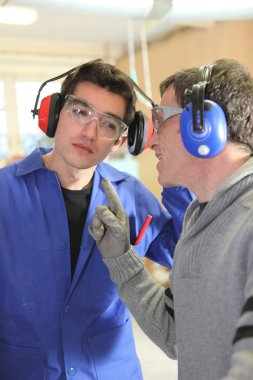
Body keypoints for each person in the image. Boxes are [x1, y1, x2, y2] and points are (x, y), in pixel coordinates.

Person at [0, 59, 193, 380]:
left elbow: (183, 253)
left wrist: (177, 173)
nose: (89, 132)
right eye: (80, 112)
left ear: (121, 140)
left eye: (108, 124)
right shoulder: (5, 191)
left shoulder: (129, 194)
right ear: (55, 113)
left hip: (110, 371)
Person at [89, 58, 253, 380]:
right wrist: (122, 259)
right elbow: (177, 335)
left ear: (202, 126)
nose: (150, 142)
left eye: (161, 120)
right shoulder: (198, 216)